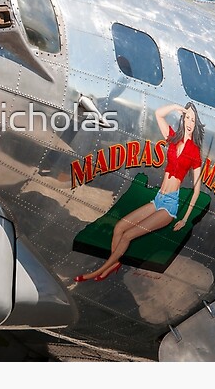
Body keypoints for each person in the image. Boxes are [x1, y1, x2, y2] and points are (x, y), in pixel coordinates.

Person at [75, 102, 204, 282]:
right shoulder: (173, 139)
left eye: (193, 119)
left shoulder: (195, 152)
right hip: (158, 199)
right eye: (187, 117)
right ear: (183, 119)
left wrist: (184, 218)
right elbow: (158, 113)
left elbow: (196, 190)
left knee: (128, 235)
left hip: (169, 206)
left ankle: (99, 272)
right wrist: (175, 107)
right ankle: (114, 262)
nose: (189, 122)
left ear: (196, 122)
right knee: (119, 227)